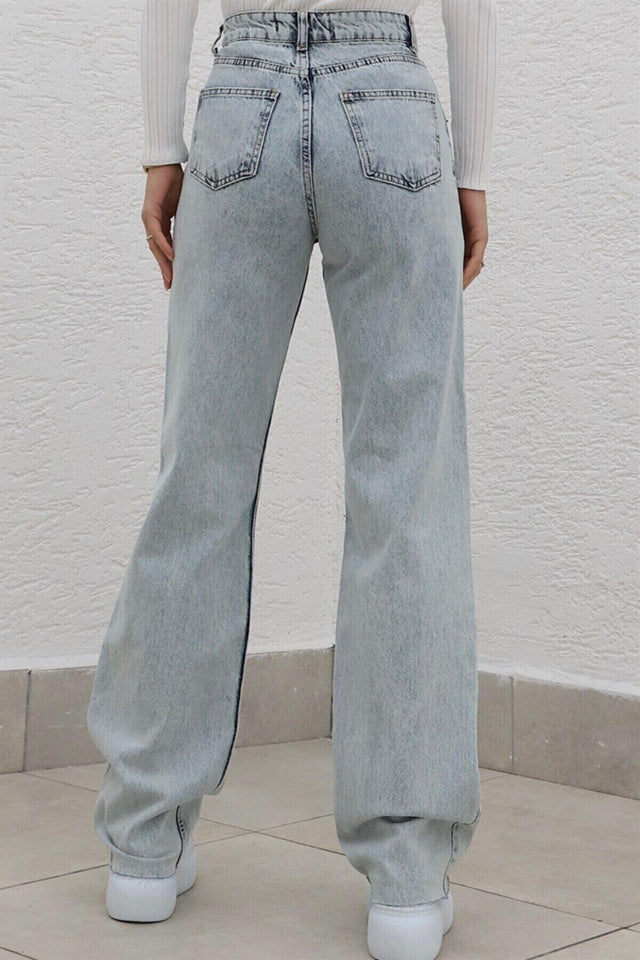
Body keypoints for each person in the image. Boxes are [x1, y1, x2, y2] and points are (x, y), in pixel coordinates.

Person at [86, 2, 499, 958]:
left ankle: (143, 847)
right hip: (389, 110)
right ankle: (405, 879)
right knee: (407, 498)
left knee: (198, 483)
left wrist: (160, 148)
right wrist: (473, 168)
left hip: (243, 104)